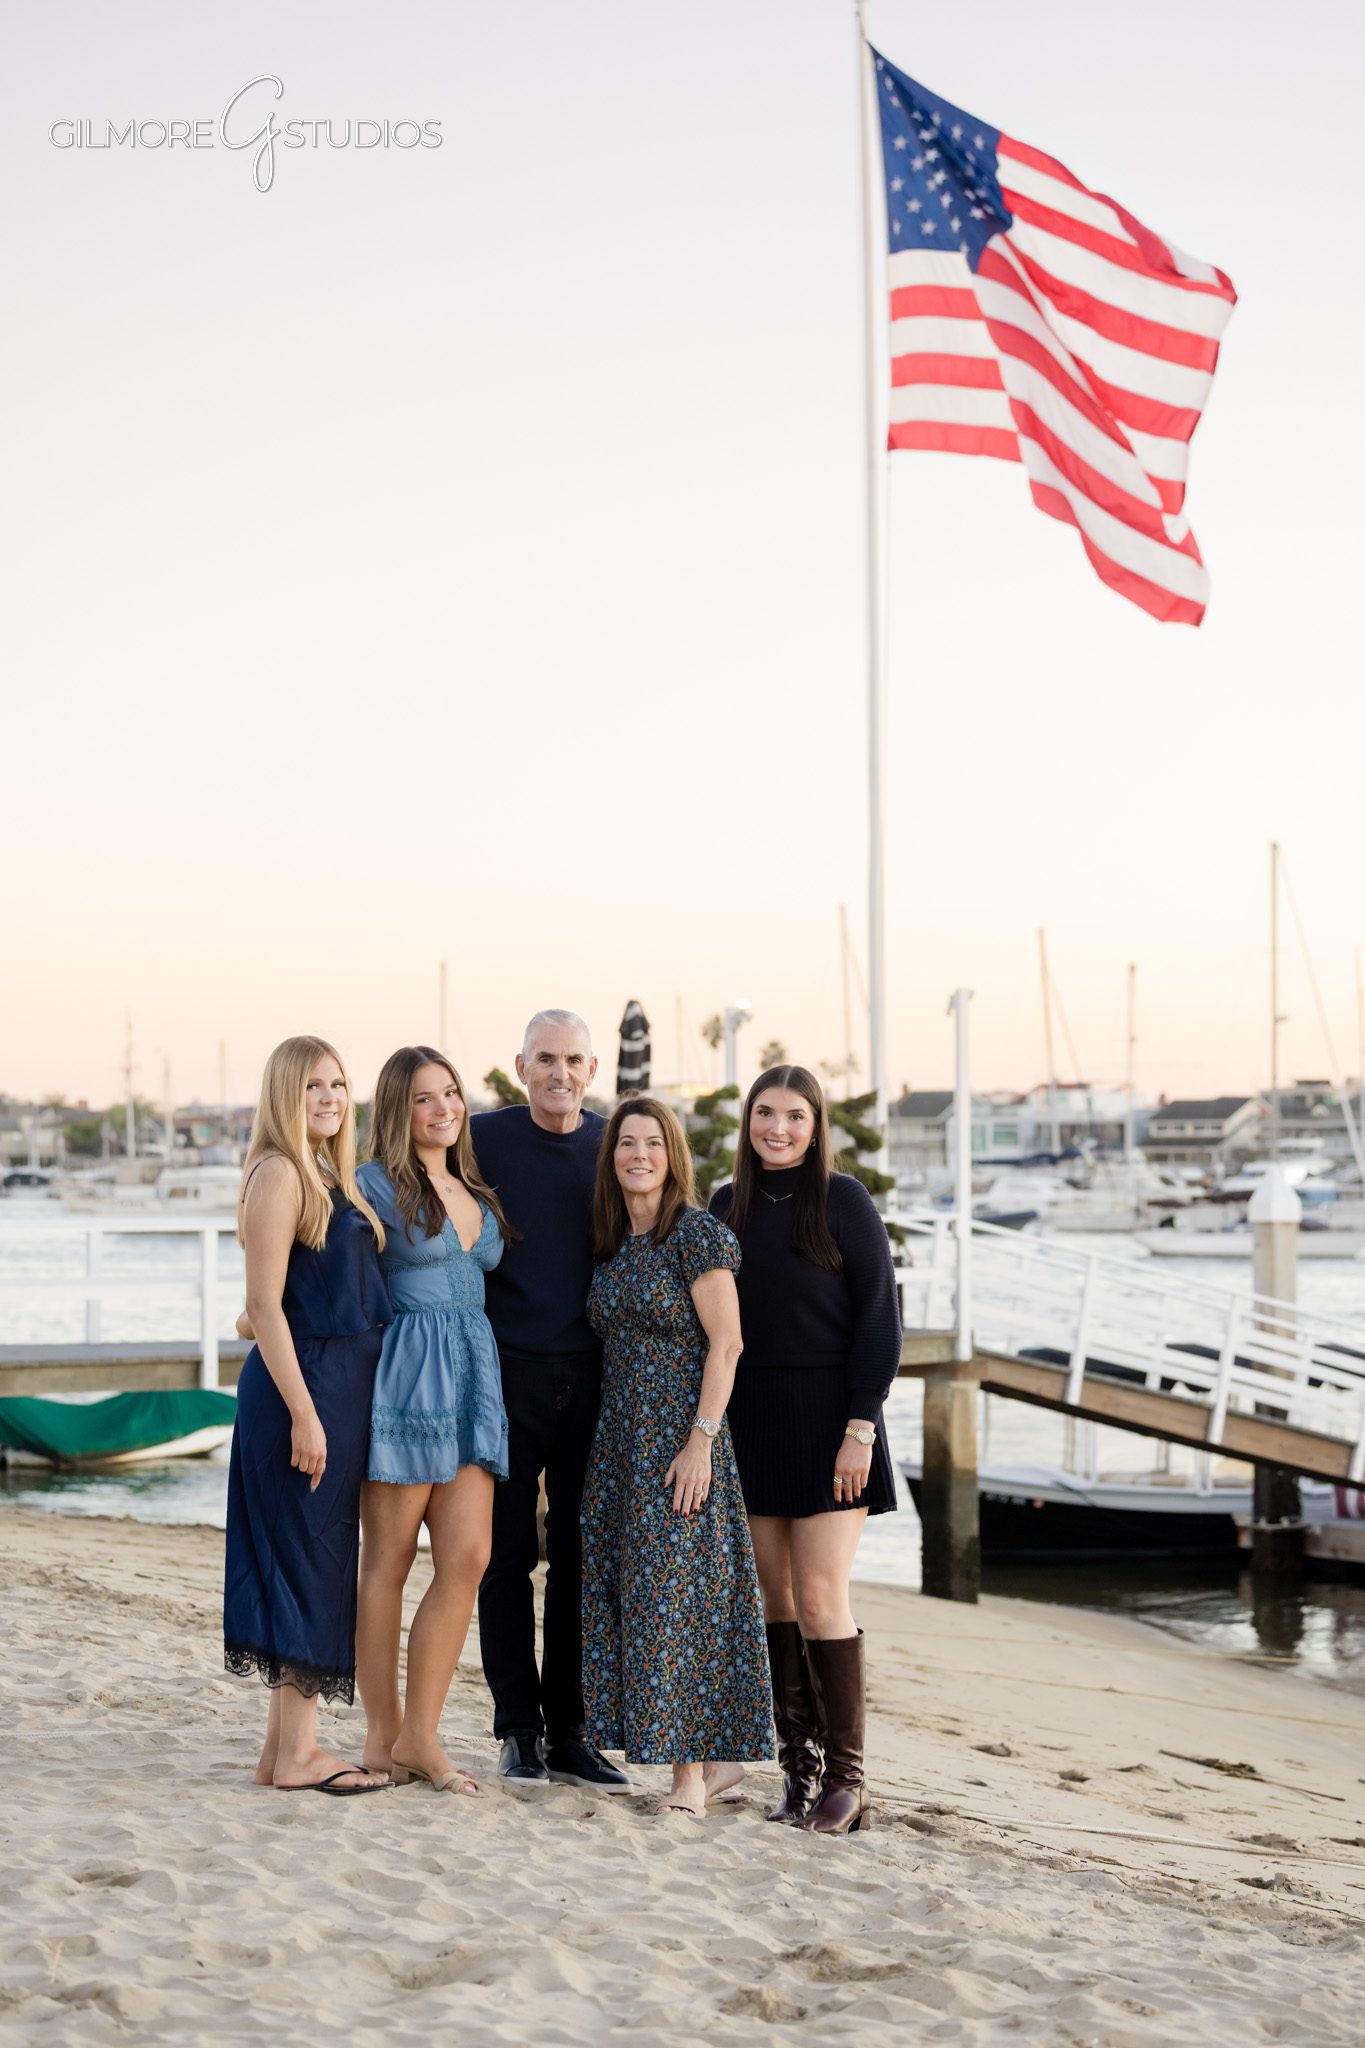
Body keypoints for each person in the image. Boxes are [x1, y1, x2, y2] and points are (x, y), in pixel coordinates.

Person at [709, 1064, 901, 1835]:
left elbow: (879, 1319)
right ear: (748, 1121)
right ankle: (798, 1772)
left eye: (793, 1115)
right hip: (751, 1423)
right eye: (764, 1113)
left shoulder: (844, 1201)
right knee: (773, 1600)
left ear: (815, 1124)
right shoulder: (727, 1205)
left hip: (832, 1424)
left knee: (821, 1597)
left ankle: (848, 1781)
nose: (777, 1128)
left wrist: (861, 1426)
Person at [582, 1097, 773, 1818]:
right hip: (619, 1446)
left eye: (652, 1143)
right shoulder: (611, 1242)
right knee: (636, 1601)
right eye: (625, 1143)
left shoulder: (696, 1236)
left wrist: (700, 1440)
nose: (638, 1155)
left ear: (672, 1156)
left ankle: (689, 1777)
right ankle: (716, 1764)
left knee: (677, 1603)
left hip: (680, 1445)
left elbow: (727, 1345)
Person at [223, 1036, 392, 1796]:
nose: (328, 1098)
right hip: (307, 1395)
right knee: (306, 1561)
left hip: (335, 1392)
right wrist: (304, 1413)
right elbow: (263, 1305)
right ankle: (299, 1755)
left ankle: (280, 1753)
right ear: (282, 1098)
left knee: (317, 1557)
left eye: (336, 1084)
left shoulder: (329, 1174)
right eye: (310, 1088)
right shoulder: (281, 1173)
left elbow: (276, 1297)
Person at [472, 1010, 628, 1793]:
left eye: (572, 1059)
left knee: (576, 1559)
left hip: (594, 1375)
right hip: (505, 1375)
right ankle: (517, 1731)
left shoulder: (614, 1146)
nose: (559, 1072)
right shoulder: (482, 1139)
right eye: (545, 1059)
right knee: (504, 1557)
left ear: (591, 1068)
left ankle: (570, 1732)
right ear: (521, 1065)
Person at [351, 1047, 513, 1796]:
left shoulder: (470, 1182)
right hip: (409, 1380)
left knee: (468, 1557)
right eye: (424, 1098)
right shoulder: (372, 1187)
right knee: (386, 1563)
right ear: (397, 1108)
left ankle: (422, 1733)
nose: (444, 1108)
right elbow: (327, 1276)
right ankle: (382, 1736)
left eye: (451, 1093)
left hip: (475, 1377)